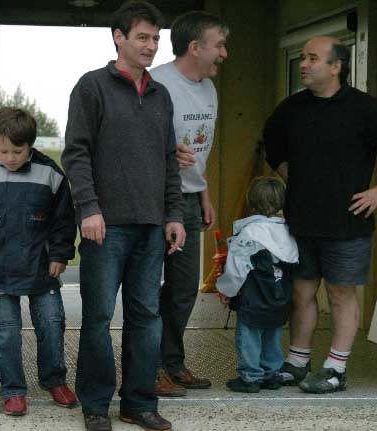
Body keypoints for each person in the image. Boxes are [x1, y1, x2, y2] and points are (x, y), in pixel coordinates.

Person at [262, 35, 377, 394]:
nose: (304, 64)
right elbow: (272, 142)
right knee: (301, 292)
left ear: (336, 66)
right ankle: (297, 363)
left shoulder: (364, 109)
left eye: (312, 58)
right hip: (301, 220)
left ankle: (335, 369)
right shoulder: (292, 108)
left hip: (348, 222)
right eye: (303, 58)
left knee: (340, 294)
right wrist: (290, 174)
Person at [61, 2, 185, 430]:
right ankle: (96, 406)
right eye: (143, 37)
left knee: (146, 318)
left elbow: (169, 161)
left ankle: (138, 403)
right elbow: (76, 153)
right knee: (98, 318)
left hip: (151, 226)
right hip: (105, 227)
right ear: (119, 37)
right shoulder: (92, 87)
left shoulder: (160, 95)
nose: (151, 46)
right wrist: (89, 209)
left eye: (156, 38)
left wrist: (174, 214)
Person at [0, 107, 77, 416]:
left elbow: (64, 221)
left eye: (18, 151)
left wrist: (60, 254)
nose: (10, 158)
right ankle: (13, 390)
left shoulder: (50, 174)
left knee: (51, 323)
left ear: (31, 145)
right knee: (6, 331)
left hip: (41, 267)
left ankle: (55, 380)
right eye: (3, 150)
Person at [149, 10, 229, 397]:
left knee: (183, 289)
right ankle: (148, 368)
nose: (224, 54)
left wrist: (204, 193)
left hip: (190, 199)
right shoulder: (157, 84)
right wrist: (166, 155)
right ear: (195, 47)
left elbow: (200, 149)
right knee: (147, 287)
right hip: (155, 198)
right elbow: (133, 144)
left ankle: (172, 362)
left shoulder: (209, 89)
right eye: (220, 46)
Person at [216, 177, 298, 393]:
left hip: (253, 298)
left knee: (249, 336)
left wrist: (225, 290)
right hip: (280, 296)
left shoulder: (249, 233)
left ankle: (250, 376)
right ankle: (271, 373)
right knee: (273, 333)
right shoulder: (290, 232)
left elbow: (237, 270)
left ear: (250, 202)